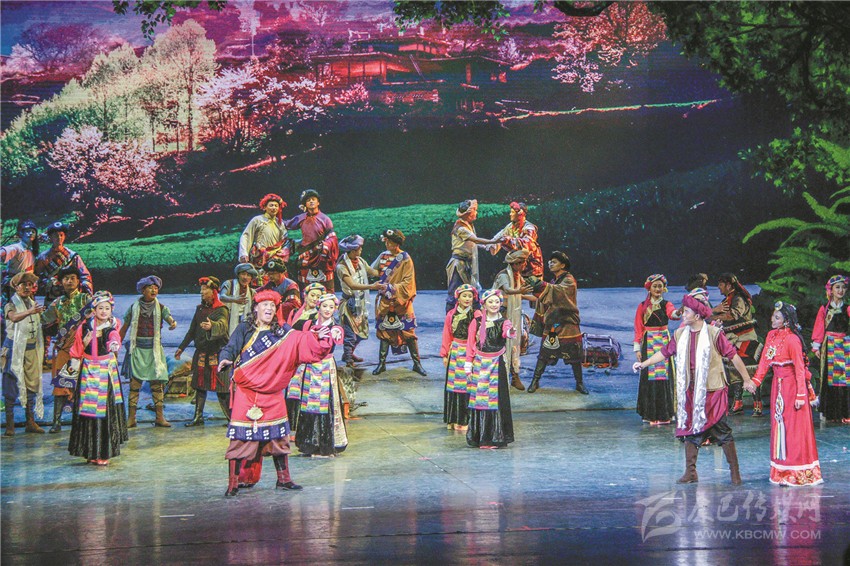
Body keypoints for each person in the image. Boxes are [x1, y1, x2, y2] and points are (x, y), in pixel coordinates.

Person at [217, 289, 335, 496]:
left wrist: (318, 337)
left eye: (272, 305)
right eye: (265, 305)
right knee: (241, 437)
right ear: (256, 308)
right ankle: (233, 483)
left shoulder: (282, 331)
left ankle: (284, 479)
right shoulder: (244, 328)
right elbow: (230, 347)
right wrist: (225, 358)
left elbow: (301, 341)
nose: (269, 308)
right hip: (247, 391)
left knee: (278, 437)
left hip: (272, 392)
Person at [633, 294, 754, 485]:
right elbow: (665, 352)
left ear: (697, 316)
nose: (683, 314)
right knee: (690, 431)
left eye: (687, 312)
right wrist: (644, 364)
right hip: (690, 389)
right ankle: (690, 472)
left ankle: (735, 473)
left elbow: (733, 356)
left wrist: (747, 379)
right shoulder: (680, 334)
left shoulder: (713, 334)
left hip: (712, 390)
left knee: (721, 430)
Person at [746, 302, 823, 486]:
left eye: (777, 317)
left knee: (794, 429)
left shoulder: (792, 340)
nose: (772, 319)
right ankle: (781, 470)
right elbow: (765, 361)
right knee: (780, 427)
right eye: (773, 316)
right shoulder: (771, 336)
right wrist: (756, 381)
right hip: (778, 387)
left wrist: (801, 396)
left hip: (792, 388)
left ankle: (797, 472)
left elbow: (800, 370)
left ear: (786, 321)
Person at [67, 291, 128, 465]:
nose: (103, 311)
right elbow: (77, 345)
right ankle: (89, 451)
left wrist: (114, 344)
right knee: (87, 412)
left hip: (105, 372)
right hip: (88, 370)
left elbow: (113, 338)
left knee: (103, 411)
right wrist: (75, 361)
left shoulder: (111, 326)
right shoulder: (85, 326)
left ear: (111, 310)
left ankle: (103, 452)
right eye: (100, 308)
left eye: (107, 308)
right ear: (94, 310)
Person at [119, 275, 178, 428]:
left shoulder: (161, 308)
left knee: (157, 385)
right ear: (143, 290)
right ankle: (131, 418)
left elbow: (169, 318)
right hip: (137, 350)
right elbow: (124, 327)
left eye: (156, 288)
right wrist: (115, 344)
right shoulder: (133, 308)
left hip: (154, 352)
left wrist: (172, 323)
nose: (154, 290)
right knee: (134, 385)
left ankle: (159, 417)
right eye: (150, 287)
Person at [40, 266, 92, 433]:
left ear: (78, 281)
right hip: (64, 347)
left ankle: (81, 420)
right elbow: (43, 319)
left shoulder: (86, 299)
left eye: (73, 278)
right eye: (66, 278)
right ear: (61, 282)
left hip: (83, 348)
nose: (69, 281)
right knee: (61, 384)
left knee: (83, 384)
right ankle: (56, 421)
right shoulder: (57, 303)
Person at [527, 251, 588, 395]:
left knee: (574, 356)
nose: (550, 264)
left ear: (563, 265)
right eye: (550, 261)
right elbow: (547, 295)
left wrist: (539, 284)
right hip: (554, 324)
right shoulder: (554, 281)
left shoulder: (569, 280)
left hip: (568, 324)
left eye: (554, 262)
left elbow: (557, 292)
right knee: (544, 354)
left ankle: (579, 384)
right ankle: (535, 381)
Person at [295, 293, 347, 457]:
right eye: (325, 306)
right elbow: (295, 335)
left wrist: (311, 338)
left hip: (325, 367)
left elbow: (323, 347)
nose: (327, 310)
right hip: (310, 367)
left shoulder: (335, 328)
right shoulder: (308, 323)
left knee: (326, 405)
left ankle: (326, 445)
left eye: (331, 307)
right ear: (319, 307)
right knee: (308, 404)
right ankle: (309, 444)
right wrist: (312, 336)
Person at [465, 289, 516, 449]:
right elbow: (470, 344)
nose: (494, 304)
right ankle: (482, 438)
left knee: (497, 400)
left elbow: (507, 333)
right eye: (490, 302)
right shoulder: (477, 322)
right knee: (480, 401)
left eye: (497, 302)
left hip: (497, 364)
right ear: (484, 304)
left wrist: (510, 332)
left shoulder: (504, 321)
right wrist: (468, 364)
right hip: (480, 364)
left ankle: (496, 437)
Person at [371, 229, 426, 376]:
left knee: (408, 332)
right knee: (384, 331)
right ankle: (381, 364)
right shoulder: (383, 256)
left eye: (390, 242)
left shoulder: (405, 259)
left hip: (402, 302)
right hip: (385, 301)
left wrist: (391, 288)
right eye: (386, 241)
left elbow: (408, 282)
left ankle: (417, 364)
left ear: (396, 243)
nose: (387, 244)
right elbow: (374, 271)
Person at [176, 277, 231, 427]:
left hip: (217, 354)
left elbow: (223, 325)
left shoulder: (221, 310)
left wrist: (212, 326)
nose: (202, 292)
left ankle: (231, 419)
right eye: (201, 290)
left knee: (222, 389)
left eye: (205, 290)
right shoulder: (200, 309)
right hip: (202, 353)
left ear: (213, 292)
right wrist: (181, 347)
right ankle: (198, 417)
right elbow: (192, 330)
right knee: (200, 387)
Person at [2, 272, 46, 435]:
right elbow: (13, 318)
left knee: (32, 384)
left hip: (31, 349)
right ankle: (10, 424)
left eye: (29, 284)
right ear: (16, 287)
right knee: (11, 384)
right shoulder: (10, 304)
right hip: (14, 349)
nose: (27, 287)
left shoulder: (33, 304)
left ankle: (30, 421)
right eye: (23, 284)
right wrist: (30, 312)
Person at [713, 273, 763, 415]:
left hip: (745, 339)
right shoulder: (726, 301)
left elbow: (733, 315)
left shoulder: (738, 299)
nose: (719, 287)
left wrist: (713, 315)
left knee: (750, 369)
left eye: (721, 284)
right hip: (732, 340)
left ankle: (757, 403)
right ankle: (738, 402)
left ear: (729, 285)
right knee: (734, 370)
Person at [632, 274, 679, 423]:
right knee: (649, 376)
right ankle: (649, 413)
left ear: (664, 288)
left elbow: (673, 314)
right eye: (655, 286)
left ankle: (666, 413)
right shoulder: (642, 306)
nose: (658, 289)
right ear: (649, 288)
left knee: (664, 376)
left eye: (660, 286)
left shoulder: (667, 304)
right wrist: (637, 348)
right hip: (648, 342)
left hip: (664, 341)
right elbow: (638, 327)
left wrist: (679, 312)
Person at [284, 282, 326, 438]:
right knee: (291, 393)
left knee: (303, 394)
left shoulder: (318, 316)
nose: (315, 299)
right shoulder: (295, 312)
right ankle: (289, 428)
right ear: (305, 296)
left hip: (306, 360)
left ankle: (300, 430)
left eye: (318, 297)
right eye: (312, 295)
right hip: (292, 357)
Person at [335, 235, 384, 367]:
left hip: (360, 302)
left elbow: (372, 272)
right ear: (352, 250)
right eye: (358, 249)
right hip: (350, 303)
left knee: (361, 333)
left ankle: (349, 353)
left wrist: (386, 268)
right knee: (350, 333)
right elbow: (352, 285)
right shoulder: (342, 267)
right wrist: (372, 286)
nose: (360, 251)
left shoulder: (360, 261)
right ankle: (348, 359)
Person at [492, 249, 534, 390]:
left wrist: (537, 298)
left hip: (512, 313)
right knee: (501, 344)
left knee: (515, 343)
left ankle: (515, 376)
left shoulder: (517, 276)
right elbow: (508, 290)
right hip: (500, 314)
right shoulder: (504, 275)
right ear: (515, 264)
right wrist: (521, 292)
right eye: (522, 262)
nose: (524, 265)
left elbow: (520, 293)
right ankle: (499, 378)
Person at [440, 284, 480, 431]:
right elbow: (447, 334)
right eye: (464, 296)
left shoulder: (477, 315)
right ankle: (453, 419)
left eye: (470, 296)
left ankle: (465, 421)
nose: (467, 299)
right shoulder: (451, 314)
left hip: (470, 353)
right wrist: (445, 354)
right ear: (458, 297)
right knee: (453, 387)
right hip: (455, 352)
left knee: (467, 386)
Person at [445, 199, 497, 312]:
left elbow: (472, 243)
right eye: (474, 211)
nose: (476, 213)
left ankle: (474, 317)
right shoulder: (461, 228)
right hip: (458, 265)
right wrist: (493, 241)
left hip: (468, 264)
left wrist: (486, 246)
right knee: (454, 293)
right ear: (468, 214)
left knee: (472, 292)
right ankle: (450, 319)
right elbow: (475, 240)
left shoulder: (468, 225)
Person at [811, 274, 849, 423]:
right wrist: (817, 346)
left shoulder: (847, 308)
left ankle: (845, 413)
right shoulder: (824, 308)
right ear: (831, 290)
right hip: (829, 345)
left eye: (843, 287)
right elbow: (819, 327)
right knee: (829, 379)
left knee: (844, 379)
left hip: (844, 345)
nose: (840, 290)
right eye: (837, 287)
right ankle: (831, 413)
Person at [284, 189, 339, 292]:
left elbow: (332, 237)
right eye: (308, 200)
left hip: (321, 256)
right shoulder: (301, 218)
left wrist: (325, 246)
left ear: (318, 202)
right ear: (305, 204)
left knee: (326, 288)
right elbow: (286, 224)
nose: (311, 201)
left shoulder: (325, 219)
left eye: (313, 199)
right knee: (305, 288)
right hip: (306, 256)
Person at [34, 221, 93, 303]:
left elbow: (85, 275)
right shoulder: (43, 257)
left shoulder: (73, 256)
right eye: (55, 235)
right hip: (52, 298)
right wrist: (48, 282)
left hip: (71, 298)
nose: (59, 238)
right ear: (50, 237)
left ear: (65, 236)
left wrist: (83, 287)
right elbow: (36, 277)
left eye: (61, 235)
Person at [489, 201, 543, 278]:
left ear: (520, 214)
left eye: (512, 212)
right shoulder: (510, 227)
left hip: (532, 268)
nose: (510, 214)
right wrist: (485, 244)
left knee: (532, 284)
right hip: (517, 267)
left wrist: (508, 240)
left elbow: (527, 243)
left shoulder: (529, 228)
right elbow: (497, 238)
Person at [238, 193, 288, 270]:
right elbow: (246, 236)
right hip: (259, 256)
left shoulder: (280, 223)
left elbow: (284, 241)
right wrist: (244, 253)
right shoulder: (257, 220)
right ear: (265, 207)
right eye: (271, 205)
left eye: (276, 206)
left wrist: (282, 252)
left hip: (275, 257)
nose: (274, 208)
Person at [1, 220, 39, 302]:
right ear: (21, 233)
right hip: (14, 284)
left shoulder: (32, 251)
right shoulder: (16, 248)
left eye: (33, 232)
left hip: (27, 285)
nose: (30, 233)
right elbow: (3, 252)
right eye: (27, 231)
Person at [258, 259, 301, 325]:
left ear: (281, 273)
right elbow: (259, 291)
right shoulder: (270, 284)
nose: (270, 276)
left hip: (287, 319)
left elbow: (293, 305)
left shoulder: (291, 285)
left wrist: (275, 307)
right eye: (269, 274)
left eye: (273, 273)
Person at [220, 263, 258, 335]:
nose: (245, 277)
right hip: (227, 319)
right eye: (243, 274)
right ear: (238, 275)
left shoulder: (252, 292)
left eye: (248, 275)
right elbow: (222, 297)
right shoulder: (229, 284)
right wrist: (234, 299)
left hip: (243, 322)